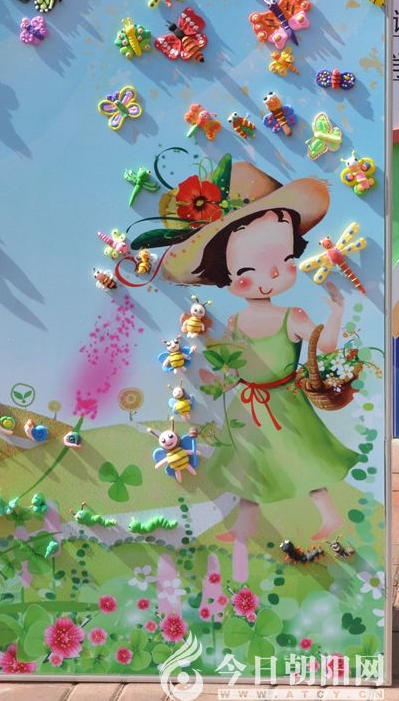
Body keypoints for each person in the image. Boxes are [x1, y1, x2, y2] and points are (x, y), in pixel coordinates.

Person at [147, 157, 360, 582]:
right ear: (224, 276)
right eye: (246, 271)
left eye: (283, 260)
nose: (269, 276)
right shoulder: (235, 320)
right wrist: (212, 372)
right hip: (248, 404)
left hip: (284, 401)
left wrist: (337, 313)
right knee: (249, 466)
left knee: (304, 458)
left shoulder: (292, 315)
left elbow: (325, 345)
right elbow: (230, 360)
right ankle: (246, 527)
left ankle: (330, 516)